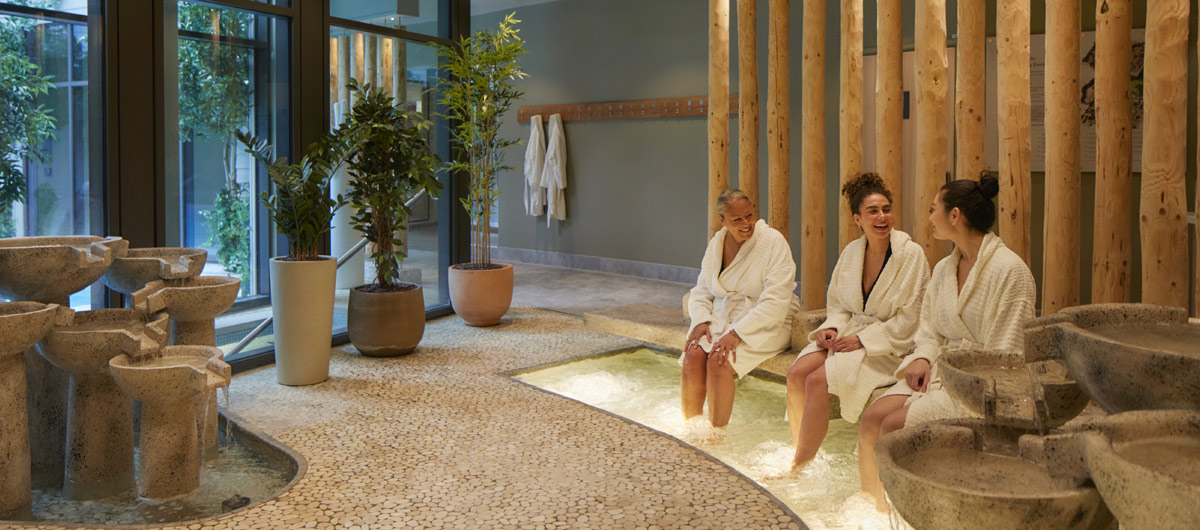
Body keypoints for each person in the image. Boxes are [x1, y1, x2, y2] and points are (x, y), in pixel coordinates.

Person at [857, 173, 1037, 509]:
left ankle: (898, 513)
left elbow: (1008, 354)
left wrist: (958, 377)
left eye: (933, 210)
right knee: (871, 418)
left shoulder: (1011, 272)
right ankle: (871, 506)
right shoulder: (944, 268)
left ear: (954, 215)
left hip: (981, 388)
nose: (929, 218)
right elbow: (929, 328)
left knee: (893, 426)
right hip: (940, 371)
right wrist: (922, 357)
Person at [785, 173, 930, 473]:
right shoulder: (852, 252)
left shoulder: (910, 255)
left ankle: (800, 465)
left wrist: (864, 341)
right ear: (857, 219)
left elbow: (910, 318)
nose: (882, 217)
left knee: (816, 380)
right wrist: (831, 329)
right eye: (872, 211)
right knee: (796, 373)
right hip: (849, 333)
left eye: (886, 209)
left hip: (887, 346)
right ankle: (798, 446)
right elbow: (839, 303)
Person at [681, 189, 800, 432]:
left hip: (769, 321)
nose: (746, 224)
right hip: (726, 316)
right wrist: (701, 321)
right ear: (722, 220)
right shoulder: (717, 244)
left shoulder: (772, 241)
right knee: (693, 352)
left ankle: (716, 435)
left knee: (719, 359)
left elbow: (776, 301)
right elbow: (702, 289)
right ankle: (691, 428)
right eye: (737, 220)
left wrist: (737, 333)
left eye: (749, 215)